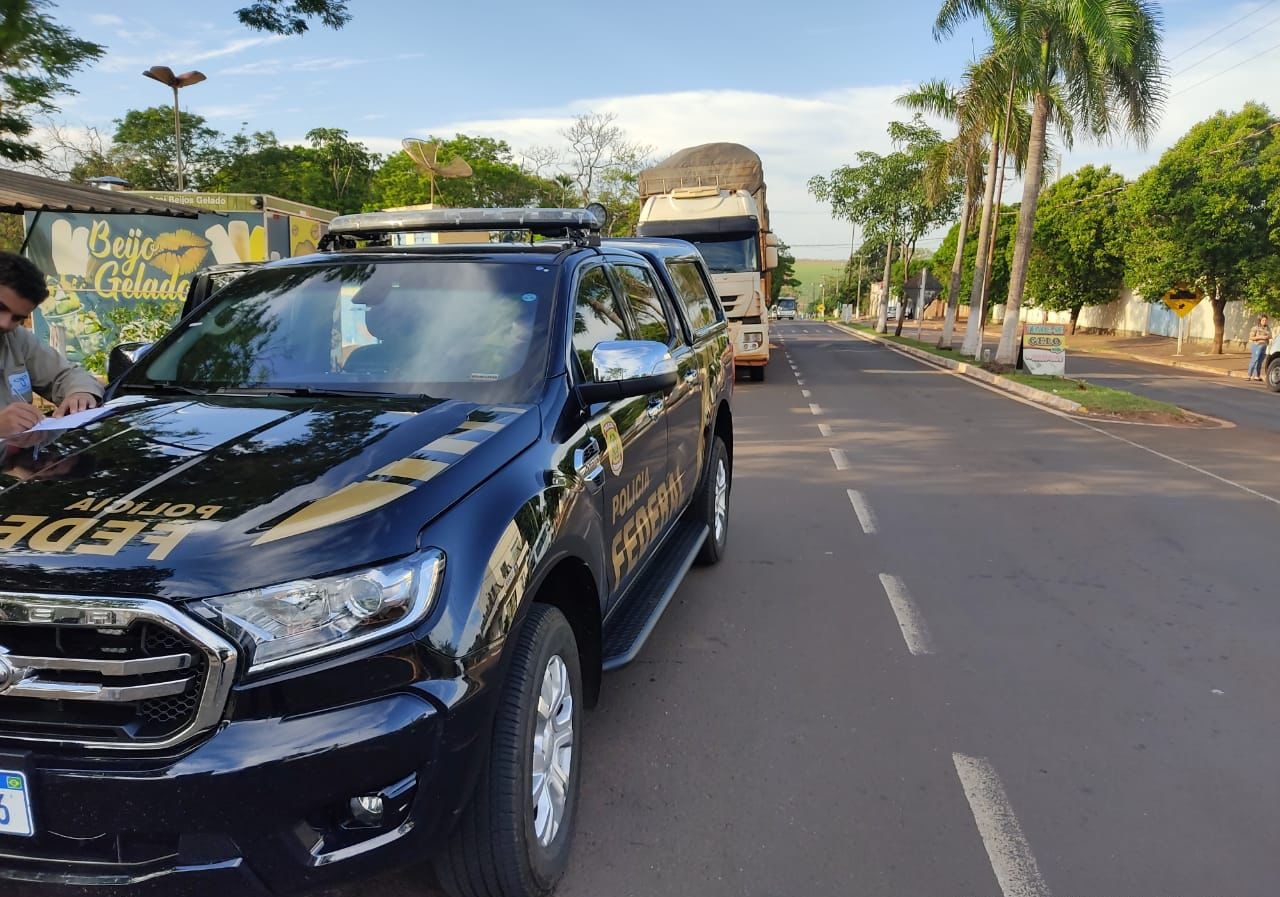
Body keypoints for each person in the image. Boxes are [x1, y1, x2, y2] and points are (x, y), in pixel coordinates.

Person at [0, 251, 103, 437]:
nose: (5, 323)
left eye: (17, 318)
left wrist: (80, 393)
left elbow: (65, 374)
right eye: (0, 308)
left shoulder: (16, 338)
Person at [1246, 314, 1272, 382]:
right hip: (1257, 345)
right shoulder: (1255, 328)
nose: (1265, 321)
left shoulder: (1268, 328)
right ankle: (1249, 375)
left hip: (1264, 346)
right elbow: (1251, 337)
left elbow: (1270, 336)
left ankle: (1257, 376)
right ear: (1260, 320)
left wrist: (1269, 337)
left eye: (1266, 320)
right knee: (1254, 360)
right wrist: (1261, 337)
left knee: (1260, 362)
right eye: (1263, 320)